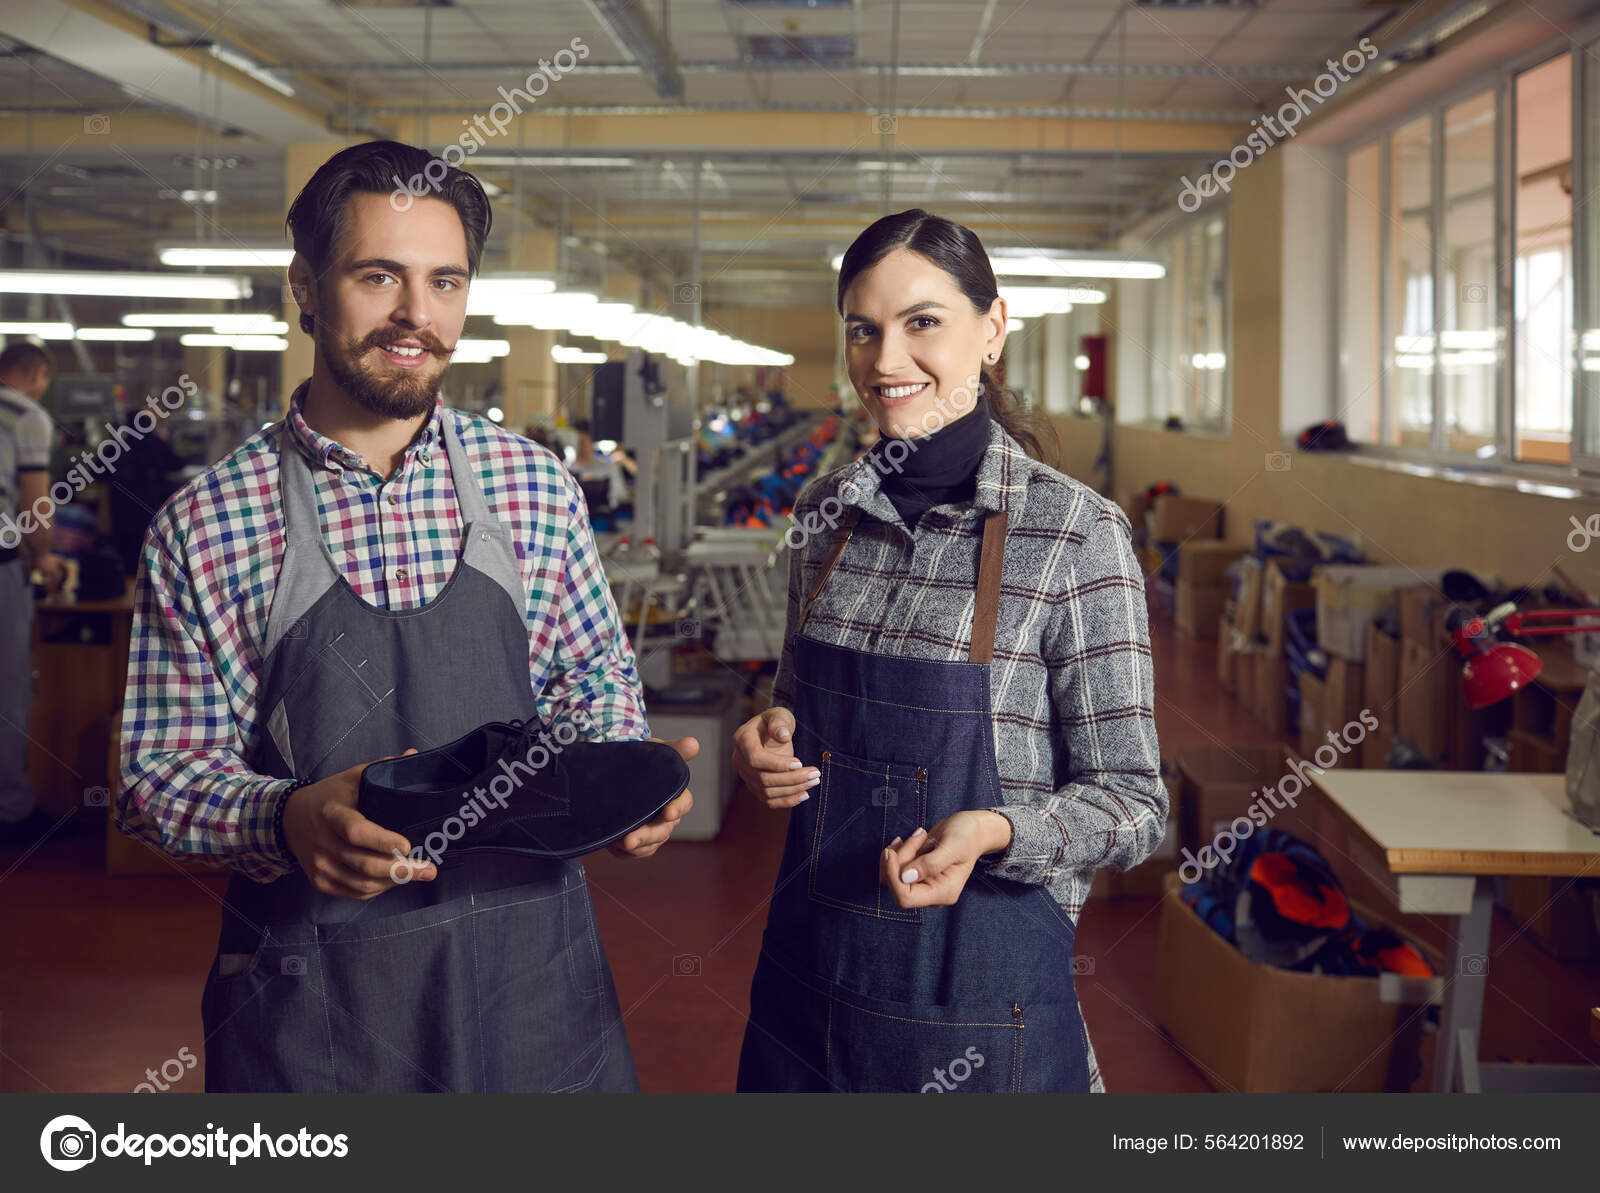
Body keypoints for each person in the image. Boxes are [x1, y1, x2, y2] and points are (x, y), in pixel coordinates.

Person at [118, 140, 697, 1093]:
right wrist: (285, 816)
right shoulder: (208, 521)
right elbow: (152, 776)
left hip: (530, 986)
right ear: (305, 284)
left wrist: (618, 776)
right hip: (321, 1006)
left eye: (445, 281)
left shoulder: (533, 488)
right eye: (378, 276)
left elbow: (594, 680)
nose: (415, 317)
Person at [731, 209, 1166, 1093]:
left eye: (922, 321)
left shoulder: (1074, 535)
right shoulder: (825, 515)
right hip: (806, 993)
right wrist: (767, 740)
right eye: (864, 328)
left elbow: (1135, 803)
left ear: (993, 328)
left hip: (982, 1009)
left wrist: (1002, 830)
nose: (886, 361)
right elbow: (793, 701)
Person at [0, 341, 66, 847]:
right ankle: (12, 812)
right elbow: (34, 507)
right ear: (36, 375)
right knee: (10, 688)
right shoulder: (27, 416)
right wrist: (42, 557)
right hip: (4, 566)